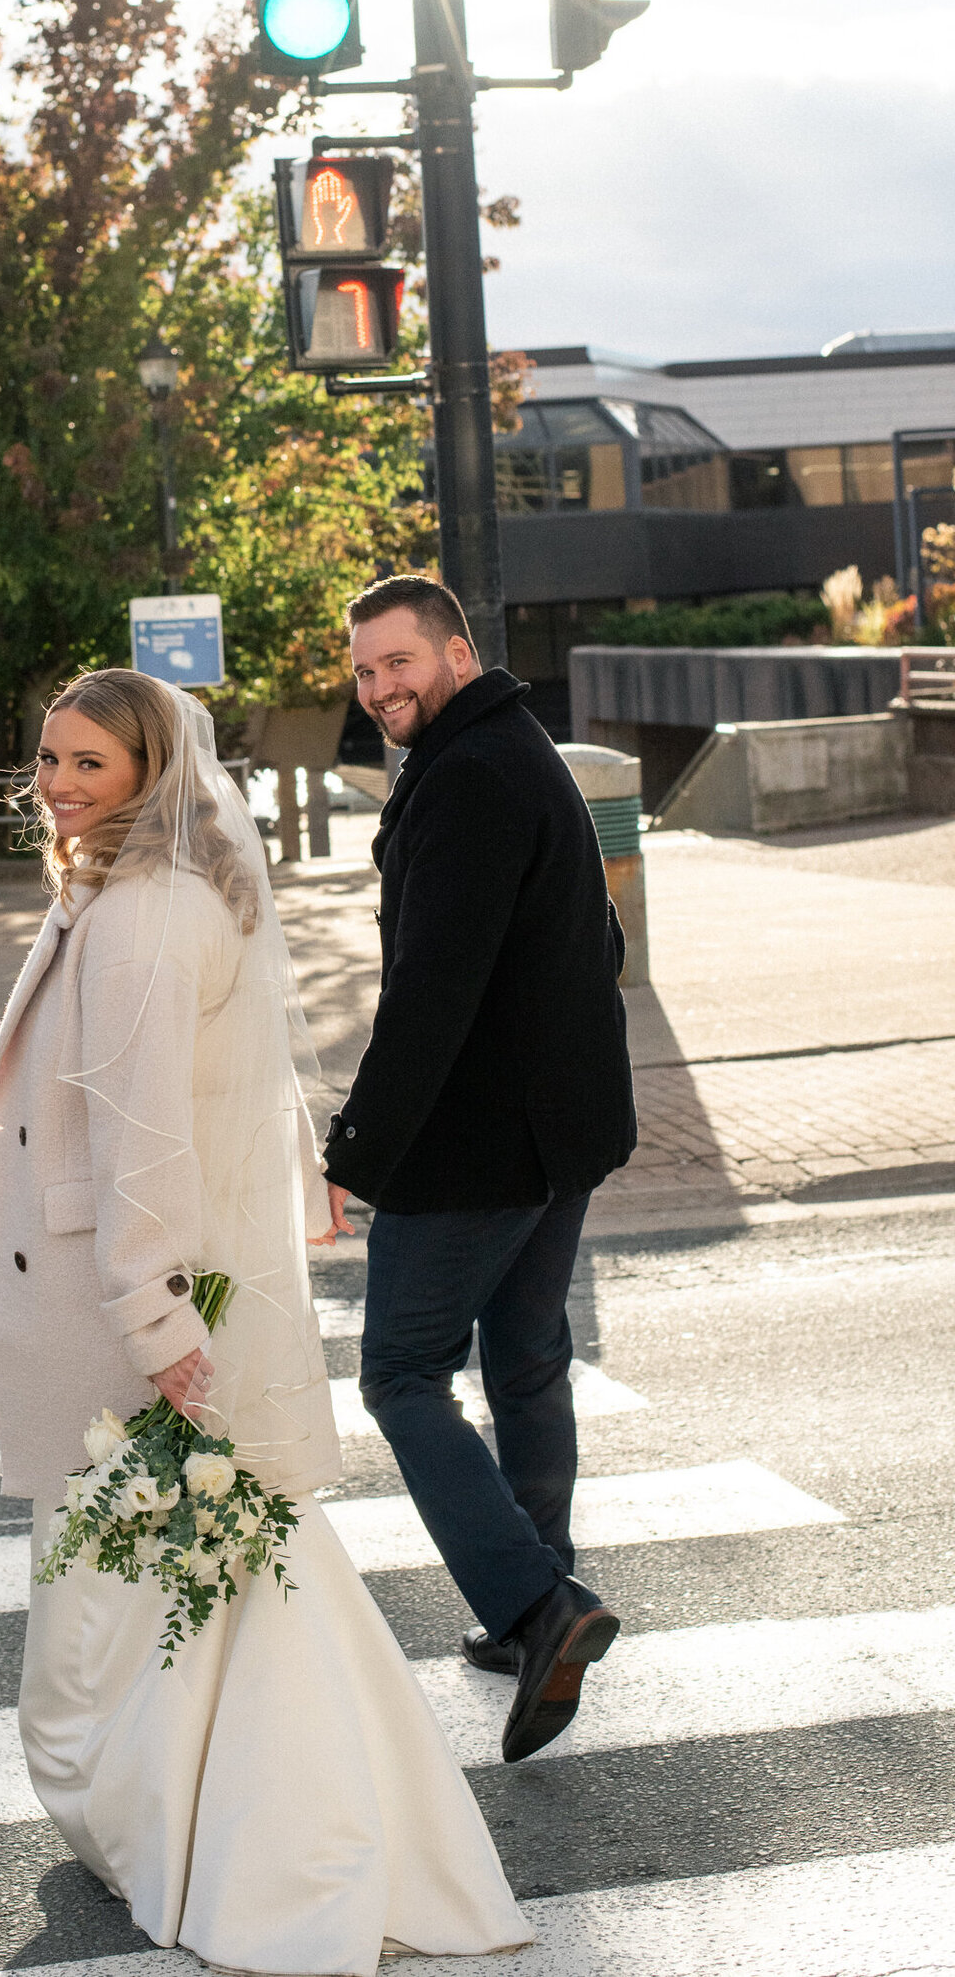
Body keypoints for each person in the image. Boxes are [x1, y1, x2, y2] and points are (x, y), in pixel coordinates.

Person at [0, 667, 533, 1977]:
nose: (56, 783)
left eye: (87, 765)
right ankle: (231, 1832)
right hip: (129, 1303)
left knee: (124, 1617)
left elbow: (146, 1141)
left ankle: (262, 1852)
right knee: (195, 1591)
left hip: (121, 1312)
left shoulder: (147, 916)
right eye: (49, 758)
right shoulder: (134, 894)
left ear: (151, 776)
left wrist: (157, 1317)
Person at [321, 575, 638, 1767]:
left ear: (454, 651)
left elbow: (427, 1001)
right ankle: (537, 1610)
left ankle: (532, 1602)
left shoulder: (465, 780)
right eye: (362, 672)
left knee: (401, 1376)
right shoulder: (522, 749)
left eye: (398, 662)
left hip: (477, 1147)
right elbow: (597, 941)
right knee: (525, 1359)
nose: (379, 688)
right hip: (561, 1134)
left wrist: (353, 1152)